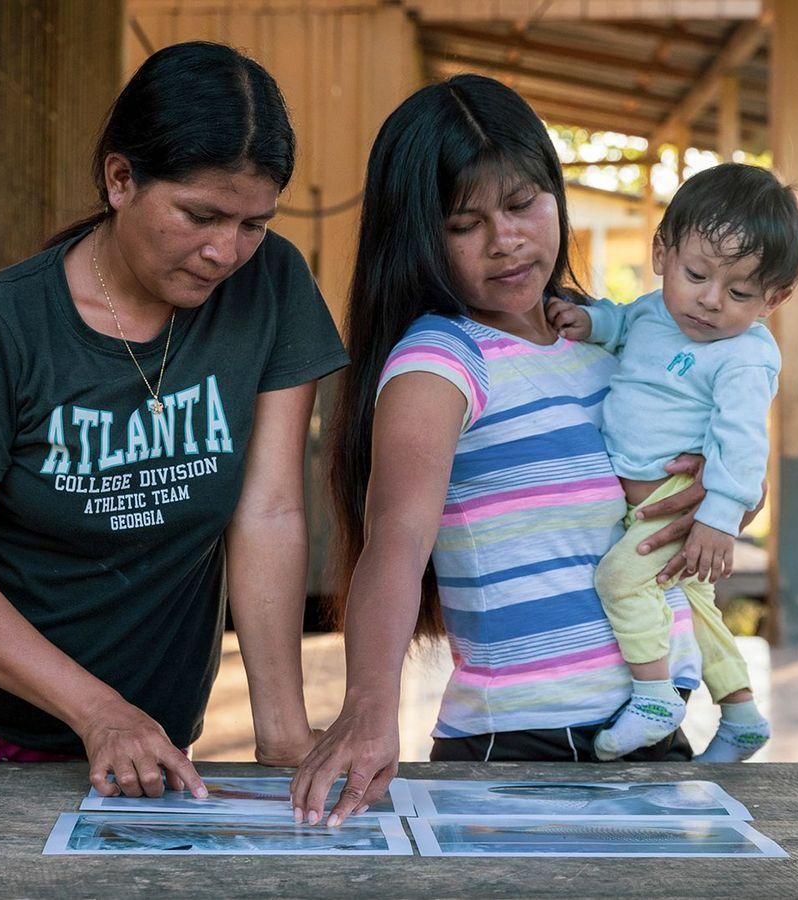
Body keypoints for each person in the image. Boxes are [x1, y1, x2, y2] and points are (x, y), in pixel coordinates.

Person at [0, 42, 348, 801]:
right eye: (200, 215)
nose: (226, 251)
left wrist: (284, 732)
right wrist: (99, 713)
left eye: (254, 223)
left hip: (151, 742)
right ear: (120, 178)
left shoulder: (273, 285)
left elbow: (269, 511)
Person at [288, 75, 763, 827]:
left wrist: (719, 490)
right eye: (462, 222)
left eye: (521, 204)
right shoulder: (441, 361)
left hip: (654, 730)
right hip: (515, 746)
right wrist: (369, 708)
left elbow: (707, 472)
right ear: (417, 235)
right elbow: (399, 537)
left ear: (556, 197)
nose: (505, 240)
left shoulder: (611, 343)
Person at [544, 162, 798, 762]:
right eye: (696, 275)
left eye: (739, 292)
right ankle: (741, 714)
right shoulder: (656, 312)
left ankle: (654, 695)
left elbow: (742, 442)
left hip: (674, 504)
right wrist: (589, 322)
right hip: (646, 507)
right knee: (695, 604)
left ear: (775, 298)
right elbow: (622, 322)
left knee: (618, 580)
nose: (710, 302)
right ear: (662, 252)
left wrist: (718, 516)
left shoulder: (743, 356)